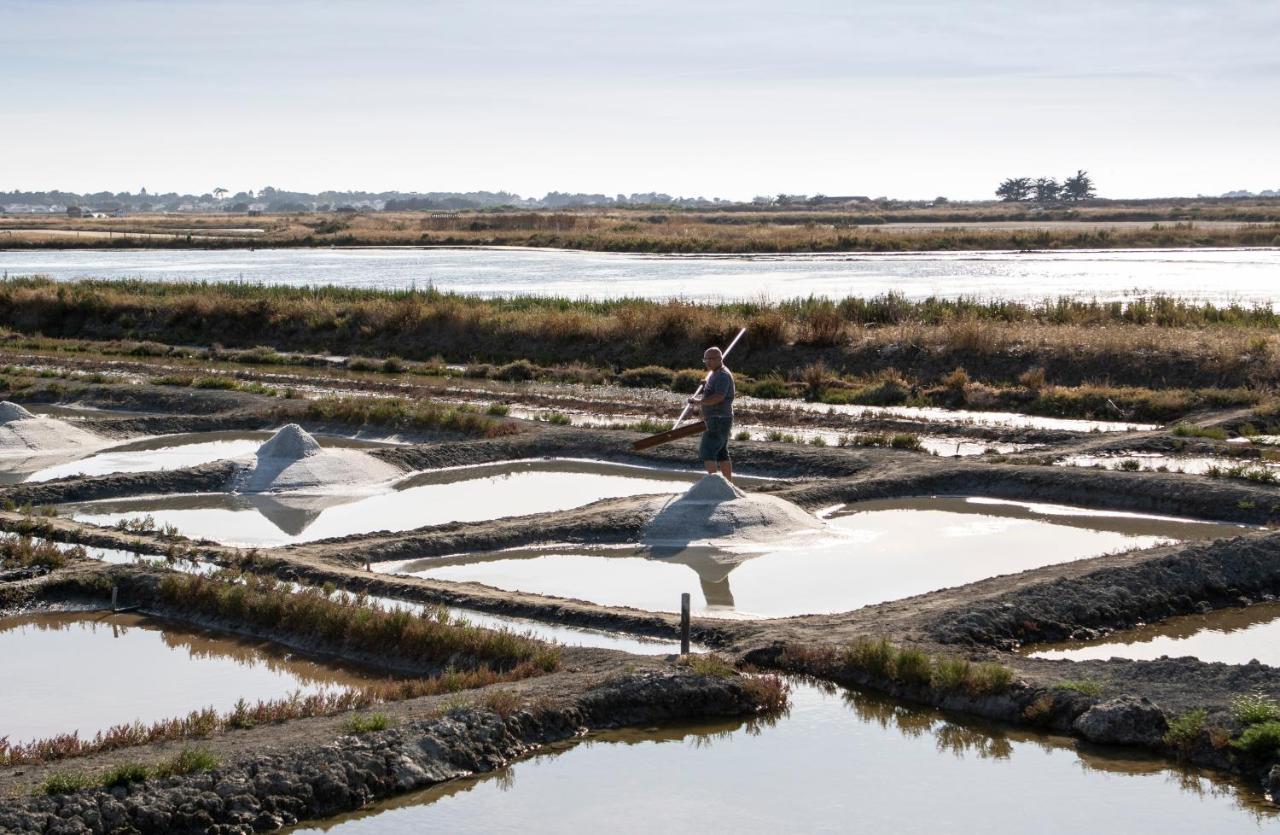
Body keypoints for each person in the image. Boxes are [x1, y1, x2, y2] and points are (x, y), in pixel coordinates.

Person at [688, 345, 735, 481]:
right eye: (706, 359)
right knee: (721, 453)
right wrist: (705, 386)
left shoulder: (722, 375)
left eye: (711, 359)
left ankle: (714, 485)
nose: (708, 362)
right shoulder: (714, 374)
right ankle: (728, 485)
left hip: (718, 419)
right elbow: (710, 393)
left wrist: (699, 402)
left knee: (707, 451)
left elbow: (719, 397)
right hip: (718, 418)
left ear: (720, 358)